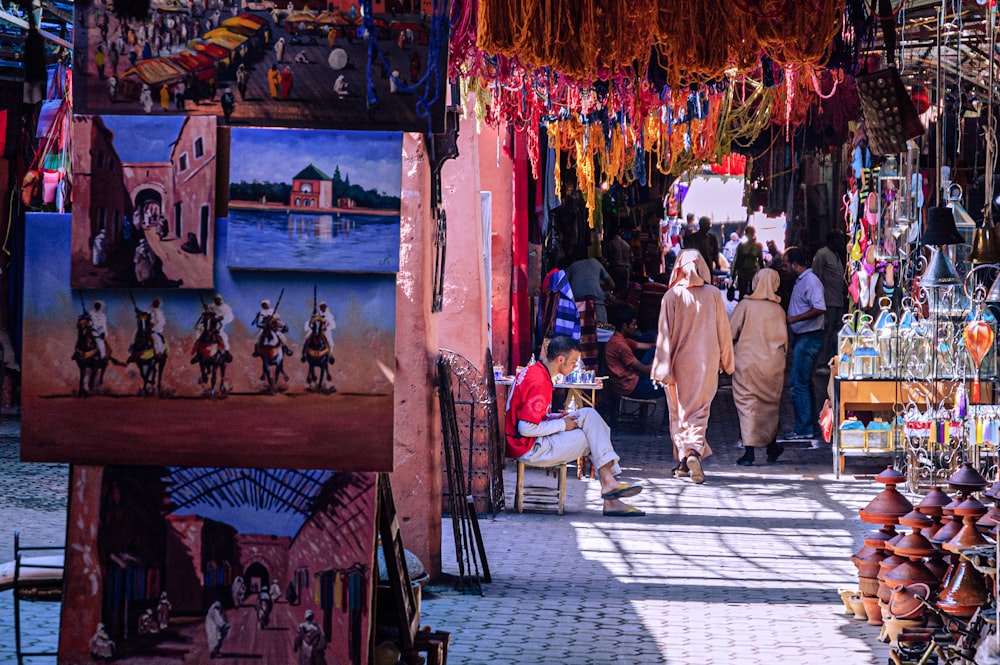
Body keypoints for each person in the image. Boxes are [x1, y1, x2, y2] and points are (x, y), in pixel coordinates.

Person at [505, 335, 645, 516]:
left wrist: (557, 417)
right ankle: (610, 490)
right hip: (529, 449)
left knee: (589, 415)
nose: (574, 367)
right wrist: (562, 424)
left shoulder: (536, 371)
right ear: (560, 359)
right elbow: (526, 428)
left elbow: (532, 416)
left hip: (531, 441)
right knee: (592, 436)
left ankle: (610, 486)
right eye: (573, 362)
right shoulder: (539, 380)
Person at [651, 249, 734, 484]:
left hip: (676, 366)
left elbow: (663, 336)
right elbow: (723, 332)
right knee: (698, 412)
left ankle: (682, 462)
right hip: (705, 364)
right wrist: (727, 362)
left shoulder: (670, 297)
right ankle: (694, 453)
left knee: (677, 413)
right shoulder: (714, 295)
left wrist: (660, 368)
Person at [730, 269, 788, 466]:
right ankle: (771, 446)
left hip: (747, 363)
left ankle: (749, 453)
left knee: (748, 405)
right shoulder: (778, 310)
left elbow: (731, 332)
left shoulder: (745, 306)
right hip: (773, 364)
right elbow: (786, 343)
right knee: (770, 406)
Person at [782, 246, 826, 440]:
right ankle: (811, 425)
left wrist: (794, 319)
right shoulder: (802, 281)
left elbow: (819, 307)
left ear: (795, 264)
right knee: (804, 382)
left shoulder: (810, 281)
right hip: (804, 336)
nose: (784, 268)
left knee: (798, 382)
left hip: (809, 336)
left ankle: (804, 428)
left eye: (786, 264)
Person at [605, 306, 666, 428]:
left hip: (632, 379)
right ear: (624, 326)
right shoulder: (619, 345)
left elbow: (646, 346)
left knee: (653, 350)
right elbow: (643, 369)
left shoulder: (619, 339)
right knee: (669, 386)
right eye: (633, 324)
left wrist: (662, 345)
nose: (636, 327)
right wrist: (660, 364)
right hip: (630, 386)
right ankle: (666, 424)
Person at [812, 230, 846, 364]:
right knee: (826, 333)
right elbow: (816, 277)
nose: (840, 243)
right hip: (827, 302)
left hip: (838, 301)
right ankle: (822, 361)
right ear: (831, 241)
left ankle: (831, 360)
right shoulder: (822, 254)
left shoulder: (836, 255)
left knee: (835, 333)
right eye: (838, 240)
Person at [564, 252, 614, 324]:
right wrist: (598, 287)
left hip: (579, 303)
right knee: (602, 330)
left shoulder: (572, 266)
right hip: (597, 302)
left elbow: (564, 286)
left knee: (581, 331)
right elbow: (612, 285)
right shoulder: (595, 263)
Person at [730, 225, 764, 300]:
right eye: (748, 233)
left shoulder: (758, 246)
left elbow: (761, 261)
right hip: (742, 272)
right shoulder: (741, 246)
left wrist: (763, 273)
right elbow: (737, 260)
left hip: (753, 273)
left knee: (752, 293)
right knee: (742, 293)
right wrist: (733, 274)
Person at [604, 230, 632, 297]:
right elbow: (632, 258)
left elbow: (605, 257)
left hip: (615, 268)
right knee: (623, 292)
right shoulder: (627, 244)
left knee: (614, 290)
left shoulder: (611, 243)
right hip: (626, 269)